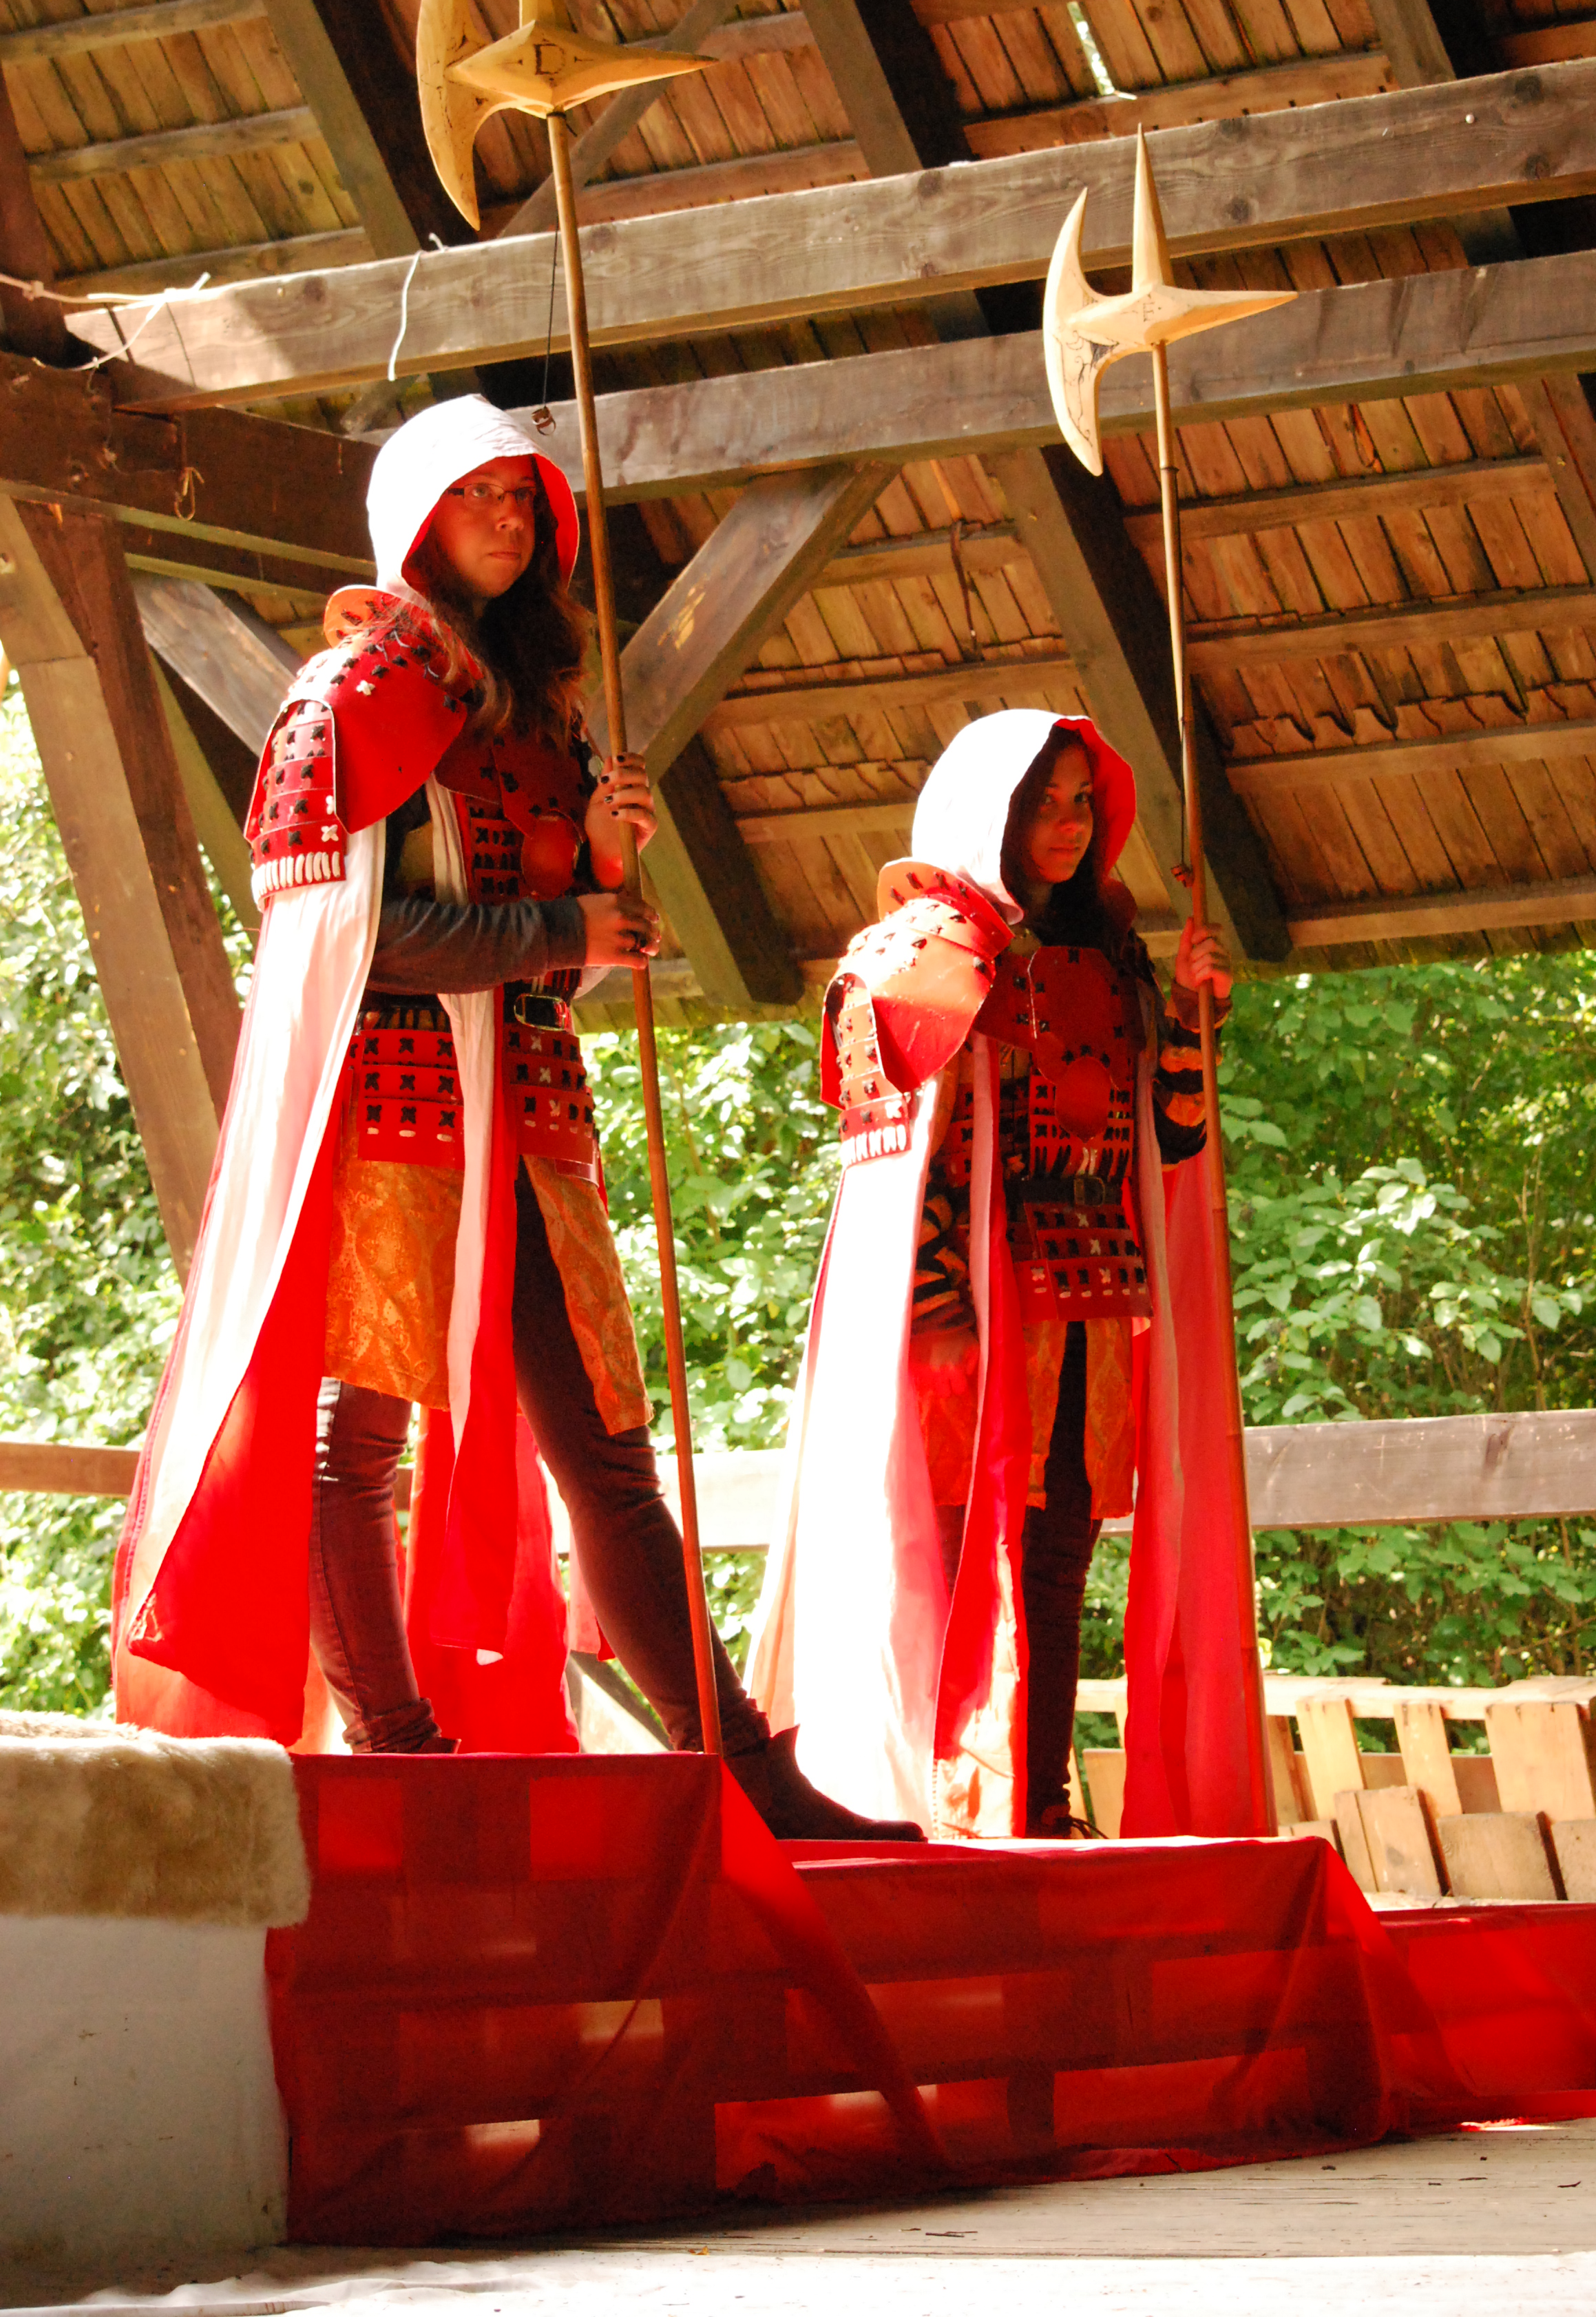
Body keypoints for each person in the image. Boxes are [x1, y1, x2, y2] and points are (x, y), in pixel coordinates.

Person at [112, 395, 918, 1842]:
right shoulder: (350, 699)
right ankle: (398, 1747)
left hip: (532, 1109)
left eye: (525, 498)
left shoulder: (549, 714)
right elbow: (345, 934)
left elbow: (574, 951)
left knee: (605, 1450)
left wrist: (604, 881)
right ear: (419, 520)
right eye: (480, 494)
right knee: (356, 1437)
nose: (511, 517)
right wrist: (566, 918)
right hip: (388, 1100)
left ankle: (741, 1767)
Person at [748, 708, 1232, 1840]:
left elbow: (1159, 1142)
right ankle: (934, 1793)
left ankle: (1043, 1807)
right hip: (972, 1309)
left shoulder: (1112, 953)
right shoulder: (922, 954)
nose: (1067, 827)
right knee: (957, 1557)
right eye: (1042, 803)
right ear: (993, 814)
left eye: (1081, 803)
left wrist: (1192, 1025)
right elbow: (892, 1164)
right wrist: (934, 1305)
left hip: (1096, 1295)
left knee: (1061, 1551)